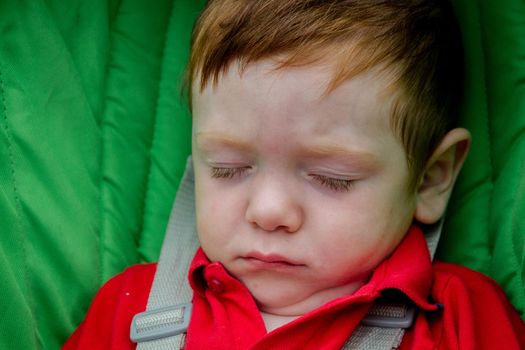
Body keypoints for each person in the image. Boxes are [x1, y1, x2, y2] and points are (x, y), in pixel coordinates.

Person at [63, 0, 525, 349]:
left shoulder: (463, 318)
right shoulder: (130, 309)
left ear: (429, 179)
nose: (268, 211)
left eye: (330, 176)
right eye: (228, 167)